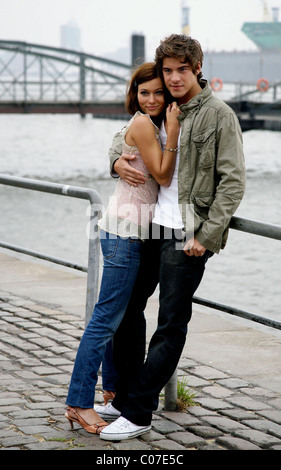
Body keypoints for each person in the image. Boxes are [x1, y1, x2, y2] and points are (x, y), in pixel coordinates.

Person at [97, 34, 246, 441]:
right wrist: (114, 160)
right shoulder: (162, 106)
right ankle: (125, 396)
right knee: (127, 310)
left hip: (187, 235)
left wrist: (207, 234)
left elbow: (232, 183)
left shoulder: (219, 115)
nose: (175, 77)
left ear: (198, 67)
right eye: (168, 70)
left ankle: (139, 410)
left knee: (170, 322)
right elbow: (125, 134)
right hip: (150, 228)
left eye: (183, 69)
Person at [64, 62, 181, 434]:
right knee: (105, 319)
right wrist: (174, 134)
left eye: (157, 92)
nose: (151, 99)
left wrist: (118, 158)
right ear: (135, 95)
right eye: (143, 92)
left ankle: (114, 394)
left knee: (119, 316)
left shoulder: (151, 121)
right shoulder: (147, 123)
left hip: (132, 230)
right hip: (123, 232)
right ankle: (78, 402)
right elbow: (162, 174)